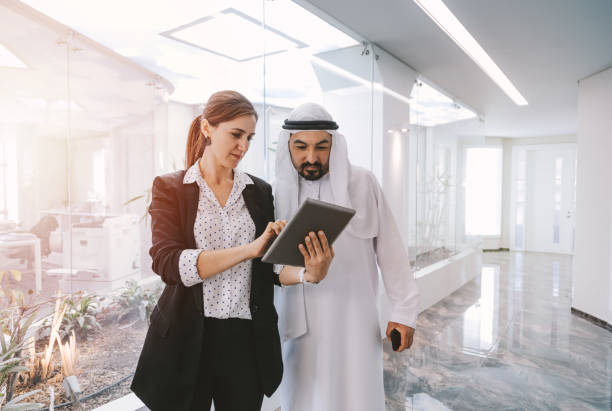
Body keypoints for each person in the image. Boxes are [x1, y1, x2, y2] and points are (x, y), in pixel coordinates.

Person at [131, 91, 334, 411]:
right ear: (207, 128)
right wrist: (248, 249)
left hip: (245, 341)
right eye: (236, 134)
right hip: (187, 338)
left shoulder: (258, 191)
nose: (243, 147)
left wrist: (309, 274)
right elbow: (168, 263)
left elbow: (268, 267)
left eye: (250, 138)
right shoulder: (170, 188)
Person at [274, 102, 419, 411]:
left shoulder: (362, 182)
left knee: (356, 395)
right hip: (301, 325)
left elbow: (391, 248)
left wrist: (404, 311)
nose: (311, 157)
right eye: (300, 147)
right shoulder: (274, 194)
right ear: (287, 146)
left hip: (354, 317)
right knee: (303, 398)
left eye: (321, 147)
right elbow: (268, 267)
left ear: (334, 145)